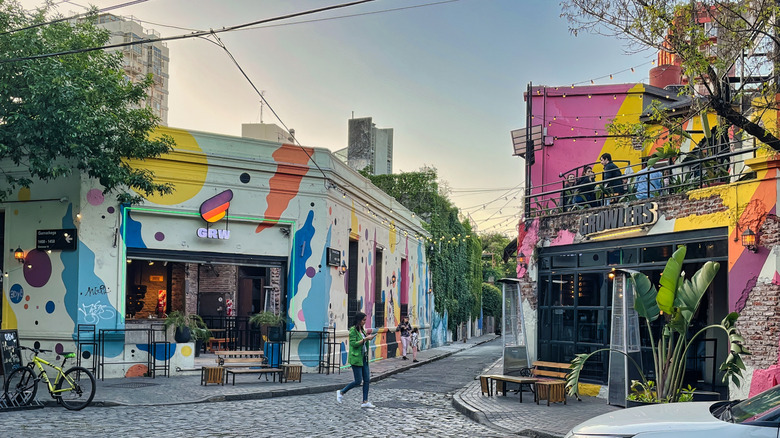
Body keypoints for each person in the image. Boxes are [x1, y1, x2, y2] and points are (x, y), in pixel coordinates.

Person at [336, 312, 376, 408]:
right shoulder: (353, 330)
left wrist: (367, 339)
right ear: (359, 320)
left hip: (364, 358)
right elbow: (354, 344)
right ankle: (341, 392)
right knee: (358, 381)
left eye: (365, 320)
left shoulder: (362, 330)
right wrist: (366, 339)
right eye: (363, 320)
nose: (365, 322)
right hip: (356, 358)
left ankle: (365, 401)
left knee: (367, 380)